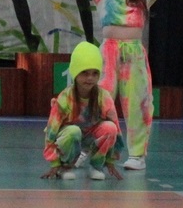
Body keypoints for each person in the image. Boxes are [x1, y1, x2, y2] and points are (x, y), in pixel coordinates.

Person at [60, 0, 183, 170]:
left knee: (139, 104)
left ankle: (137, 155)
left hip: (134, 57)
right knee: (97, 101)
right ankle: (87, 148)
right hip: (107, 56)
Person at [41, 42, 124, 180]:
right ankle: (66, 166)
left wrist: (110, 160)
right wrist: (54, 162)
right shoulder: (65, 98)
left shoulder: (104, 98)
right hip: (70, 137)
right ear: (75, 73)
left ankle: (95, 166)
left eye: (94, 73)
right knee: (73, 131)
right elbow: (51, 132)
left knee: (110, 128)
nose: (90, 78)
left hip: (90, 138)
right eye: (84, 73)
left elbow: (117, 130)